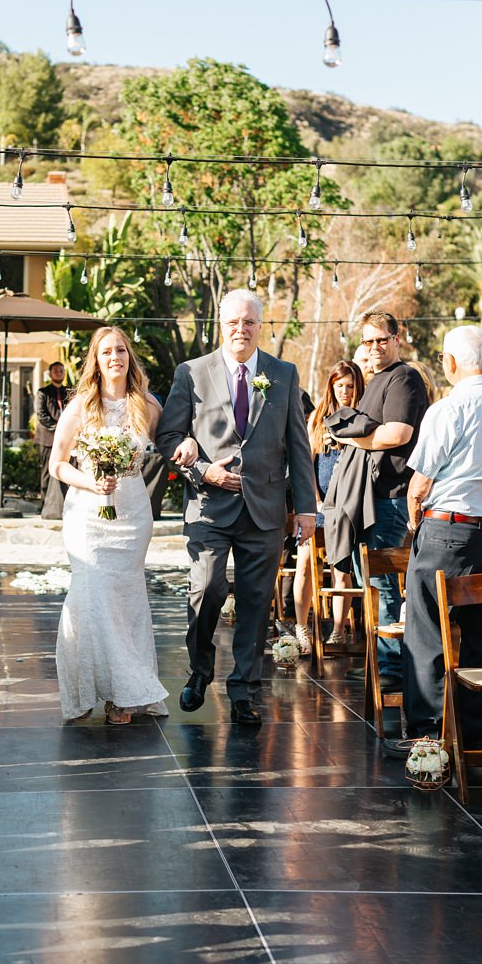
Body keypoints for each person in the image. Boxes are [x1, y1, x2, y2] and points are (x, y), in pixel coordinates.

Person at [159, 290, 315, 725]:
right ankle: (200, 669)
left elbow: (298, 446)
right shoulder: (191, 372)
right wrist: (203, 469)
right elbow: (168, 438)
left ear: (259, 326)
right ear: (220, 325)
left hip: (265, 508)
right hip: (209, 507)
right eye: (233, 322)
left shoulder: (282, 373)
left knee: (255, 602)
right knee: (207, 588)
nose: (240, 330)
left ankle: (244, 691)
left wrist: (305, 507)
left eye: (249, 322)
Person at [386, 325, 482, 758]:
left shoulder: (447, 409)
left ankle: (427, 731)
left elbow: (420, 483)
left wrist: (415, 521)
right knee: (481, 629)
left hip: (446, 527)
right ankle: (477, 731)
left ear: (450, 361)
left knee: (426, 628)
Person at [51, 326, 168, 724]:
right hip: (88, 514)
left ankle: (124, 694)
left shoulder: (148, 406)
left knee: (124, 600)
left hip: (133, 513)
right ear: (96, 362)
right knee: (89, 596)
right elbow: (58, 464)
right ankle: (84, 689)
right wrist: (91, 481)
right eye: (106, 352)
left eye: (121, 350)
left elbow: (173, 442)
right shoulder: (81, 406)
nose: (115, 356)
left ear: (129, 357)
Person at [334, 313, 429, 694]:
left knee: (383, 581)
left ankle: (392, 665)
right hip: (370, 495)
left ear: (397, 339)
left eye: (381, 340)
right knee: (369, 578)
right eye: (368, 341)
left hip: (391, 497)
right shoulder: (375, 379)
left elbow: (397, 433)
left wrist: (353, 438)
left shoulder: (404, 378)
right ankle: (383, 660)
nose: (375, 348)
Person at [290, 361, 365, 651]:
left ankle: (337, 630)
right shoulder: (318, 419)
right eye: (340, 386)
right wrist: (313, 502)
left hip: (345, 507)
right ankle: (301, 626)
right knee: (306, 565)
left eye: (350, 386)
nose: (345, 391)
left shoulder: (360, 418)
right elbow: (306, 464)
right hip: (318, 506)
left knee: (341, 567)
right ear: (331, 386)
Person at [34, 361, 71, 499]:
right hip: (48, 438)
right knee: (46, 472)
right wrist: (59, 429)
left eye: (61, 370)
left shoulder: (69, 392)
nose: (58, 373)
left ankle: (65, 503)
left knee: (68, 471)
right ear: (50, 374)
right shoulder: (43, 393)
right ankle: (45, 503)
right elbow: (41, 415)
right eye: (55, 370)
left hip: (67, 440)